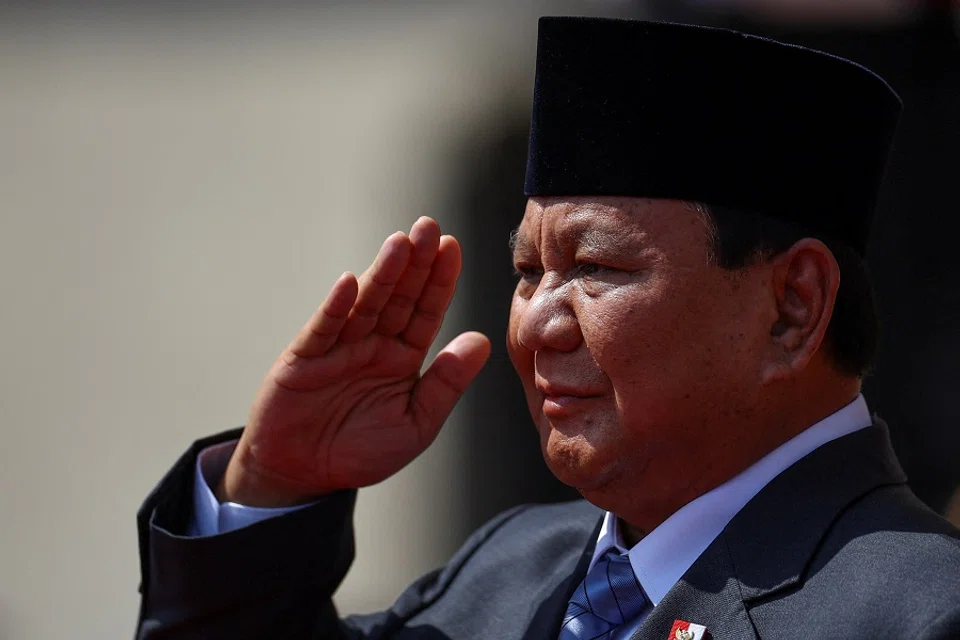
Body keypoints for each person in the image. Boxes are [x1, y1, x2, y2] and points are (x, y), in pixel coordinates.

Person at [134, 17, 960, 640]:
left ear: (792, 308)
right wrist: (271, 490)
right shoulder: (505, 573)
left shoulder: (918, 611)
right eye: (528, 273)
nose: (537, 327)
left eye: (595, 269)